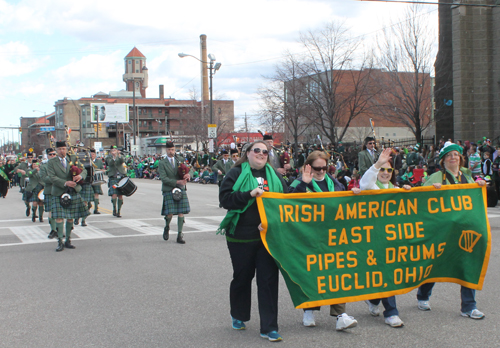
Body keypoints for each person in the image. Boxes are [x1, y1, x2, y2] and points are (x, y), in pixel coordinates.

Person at [219, 141, 288, 342]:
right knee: (242, 277)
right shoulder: (235, 173)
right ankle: (239, 315)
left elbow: (288, 198)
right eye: (256, 150)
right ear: (247, 153)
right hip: (241, 236)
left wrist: (304, 183)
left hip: (267, 236)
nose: (261, 154)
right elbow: (225, 199)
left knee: (268, 280)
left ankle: (269, 327)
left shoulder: (274, 175)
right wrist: (249, 194)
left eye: (265, 151)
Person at [289, 151, 358, 331]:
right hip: (309, 236)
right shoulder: (298, 182)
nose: (321, 171)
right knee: (313, 273)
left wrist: (354, 194)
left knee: (338, 273)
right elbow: (289, 205)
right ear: (308, 166)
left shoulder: (335, 184)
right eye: (317, 168)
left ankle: (340, 315)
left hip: (333, 236)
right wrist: (303, 184)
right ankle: (309, 310)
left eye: (324, 167)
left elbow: (343, 205)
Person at [416, 142, 486, 319]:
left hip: (464, 231)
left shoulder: (468, 178)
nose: (453, 158)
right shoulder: (437, 177)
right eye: (449, 155)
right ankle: (423, 295)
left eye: (456, 155)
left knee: (468, 264)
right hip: (443, 230)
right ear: (443, 160)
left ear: (461, 158)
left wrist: (481, 187)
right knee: (436, 263)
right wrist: (432, 190)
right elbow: (420, 198)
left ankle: (469, 306)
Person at [356, 147, 410, 328]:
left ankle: (373, 299)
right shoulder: (372, 187)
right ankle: (391, 312)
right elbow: (364, 184)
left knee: (385, 273)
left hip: (392, 240)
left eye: (389, 170)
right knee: (384, 272)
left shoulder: (397, 189)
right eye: (382, 170)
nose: (385, 173)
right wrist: (377, 163)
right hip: (373, 239)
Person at [47, 141, 90, 252]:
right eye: (60, 149)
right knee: (59, 217)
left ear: (66, 149)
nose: (62, 151)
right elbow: (52, 177)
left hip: (72, 191)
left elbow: (84, 170)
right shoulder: (51, 162)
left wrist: (80, 176)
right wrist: (65, 183)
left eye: (64, 148)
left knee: (70, 217)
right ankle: (60, 241)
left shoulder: (73, 158)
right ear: (56, 150)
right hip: (59, 192)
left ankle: (68, 241)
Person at [158, 141, 190, 244]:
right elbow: (164, 178)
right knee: (170, 213)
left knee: (181, 212)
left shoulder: (179, 160)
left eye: (172, 150)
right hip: (168, 189)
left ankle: (179, 235)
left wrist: (188, 175)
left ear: (174, 149)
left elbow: (190, 169)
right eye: (168, 150)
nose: (170, 152)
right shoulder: (162, 163)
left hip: (180, 188)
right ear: (166, 150)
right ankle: (167, 226)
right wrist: (177, 181)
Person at [106, 145, 127, 217]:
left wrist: (119, 155)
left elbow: (122, 161)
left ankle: (119, 211)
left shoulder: (119, 156)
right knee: (114, 194)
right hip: (113, 178)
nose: (114, 151)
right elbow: (110, 163)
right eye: (112, 150)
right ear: (110, 151)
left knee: (120, 195)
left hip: (121, 177)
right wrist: (114, 157)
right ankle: (114, 209)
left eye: (115, 150)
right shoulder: (108, 157)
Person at [14, 152, 35, 217]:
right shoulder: (23, 164)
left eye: (31, 157)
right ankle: (28, 206)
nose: (29, 159)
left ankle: (34, 213)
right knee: (26, 199)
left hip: (34, 183)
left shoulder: (35, 164)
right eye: (28, 157)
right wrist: (20, 171)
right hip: (25, 183)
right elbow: (15, 169)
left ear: (33, 157)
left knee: (35, 200)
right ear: (26, 158)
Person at [90, 149, 104, 214]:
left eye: (93, 154)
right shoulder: (87, 161)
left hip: (97, 179)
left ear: (95, 155)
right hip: (89, 180)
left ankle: (96, 209)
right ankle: (88, 208)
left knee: (96, 194)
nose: (92, 155)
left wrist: (102, 170)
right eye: (91, 154)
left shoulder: (99, 161)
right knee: (89, 194)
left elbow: (102, 168)